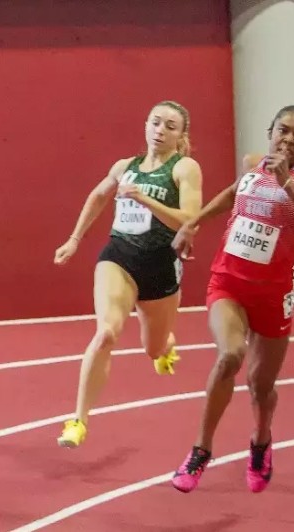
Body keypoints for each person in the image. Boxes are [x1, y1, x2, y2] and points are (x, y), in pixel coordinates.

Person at [53, 101, 203, 448]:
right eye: (155, 122)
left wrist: (145, 199)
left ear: (181, 136)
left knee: (153, 349)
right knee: (106, 333)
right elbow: (98, 196)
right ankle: (78, 421)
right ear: (146, 125)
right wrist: (74, 239)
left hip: (160, 266)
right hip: (119, 256)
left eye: (170, 126)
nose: (160, 131)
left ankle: (165, 345)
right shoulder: (125, 167)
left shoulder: (184, 168)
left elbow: (189, 220)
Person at [170, 105, 294, 494]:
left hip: (274, 294)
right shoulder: (253, 163)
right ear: (271, 131)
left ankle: (260, 440)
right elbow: (232, 192)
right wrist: (193, 222)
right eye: (283, 130)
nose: (288, 139)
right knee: (230, 355)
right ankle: (201, 449)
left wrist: (286, 183)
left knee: (260, 384)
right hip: (229, 282)